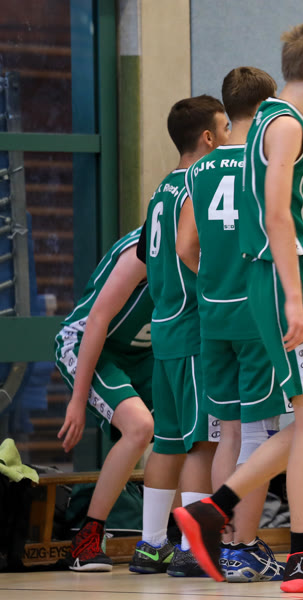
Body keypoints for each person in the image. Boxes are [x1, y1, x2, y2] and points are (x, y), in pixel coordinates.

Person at [173, 21, 303, 594]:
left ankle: (281, 543)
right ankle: (250, 527)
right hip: (290, 273)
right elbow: (277, 213)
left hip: (269, 276)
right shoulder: (285, 124)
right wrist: (293, 296)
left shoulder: (265, 120)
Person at [176, 66, 287, 583]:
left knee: (228, 434)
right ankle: (243, 546)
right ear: (264, 109)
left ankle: (223, 545)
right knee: (262, 434)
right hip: (254, 312)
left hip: (213, 311)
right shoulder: (263, 161)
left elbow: (186, 246)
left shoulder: (198, 170)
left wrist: (214, 278)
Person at [134, 95, 227, 577]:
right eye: (225, 129)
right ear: (208, 137)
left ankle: (151, 545)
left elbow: (146, 257)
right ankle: (192, 549)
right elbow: (189, 248)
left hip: (165, 329)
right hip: (193, 329)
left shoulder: (161, 190)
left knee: (168, 442)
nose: (230, 136)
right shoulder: (199, 183)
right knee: (202, 444)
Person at [55, 228, 154, 572]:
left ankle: (161, 541)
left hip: (145, 354)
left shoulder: (207, 244)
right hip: (91, 345)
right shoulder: (145, 247)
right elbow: (97, 319)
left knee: (180, 433)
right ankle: (87, 538)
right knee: (139, 428)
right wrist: (77, 401)